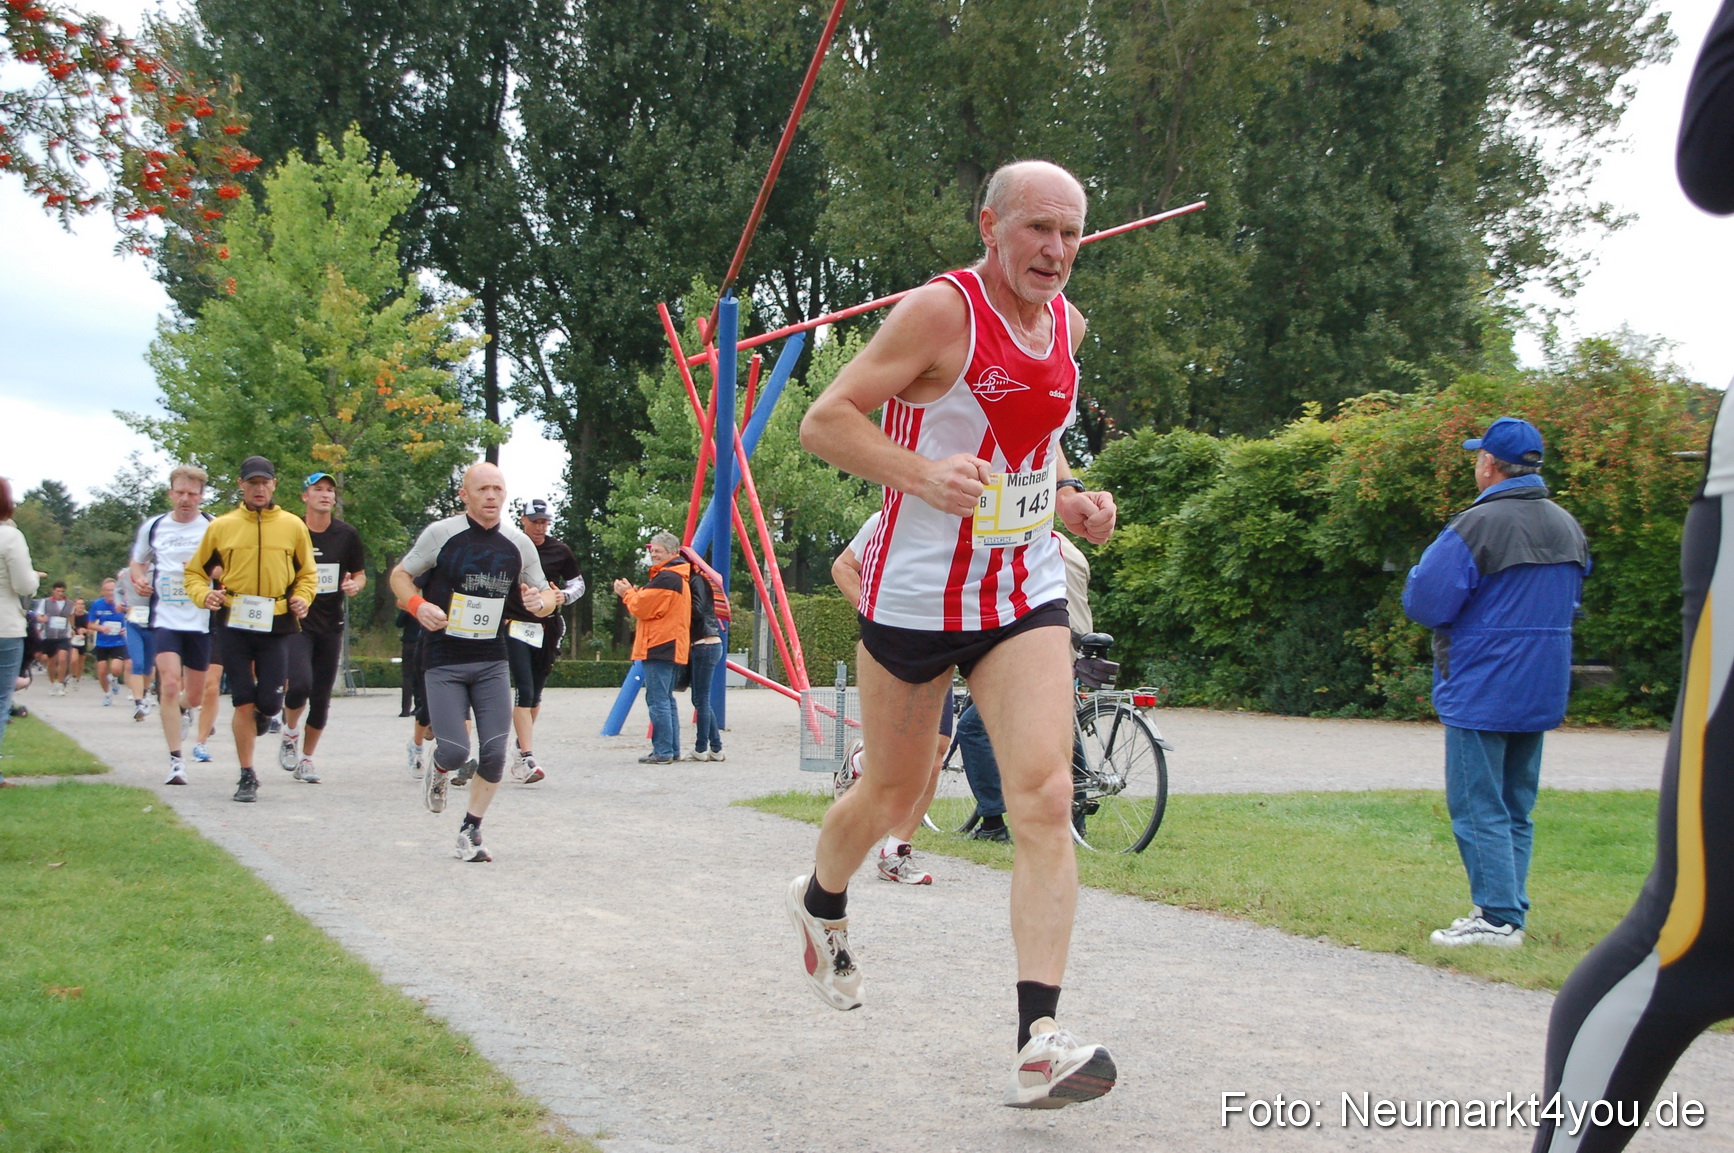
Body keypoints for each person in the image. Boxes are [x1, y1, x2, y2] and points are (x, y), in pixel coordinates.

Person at [794, 160, 1120, 1108]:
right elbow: (824, 422)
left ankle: (1039, 1041)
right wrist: (918, 473)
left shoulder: (1068, 326)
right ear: (990, 225)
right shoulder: (941, 313)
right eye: (1038, 229)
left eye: (1071, 232)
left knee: (1045, 795)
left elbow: (1037, 443)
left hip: (1021, 588)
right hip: (916, 596)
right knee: (893, 792)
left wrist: (1070, 498)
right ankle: (819, 900)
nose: (1056, 250)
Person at [1529, 19, 1734, 1149]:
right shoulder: (1546, 520)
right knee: (1697, 930)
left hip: (1508, 691)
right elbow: (1714, 160)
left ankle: (1495, 908)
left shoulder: (1507, 523)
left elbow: (1431, 599)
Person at [1403, 418, 1589, 947]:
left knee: (1477, 804)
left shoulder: (1477, 525)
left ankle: (1497, 918)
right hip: (1541, 682)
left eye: (1477, 457)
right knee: (1514, 806)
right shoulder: (1566, 525)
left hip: (1482, 681)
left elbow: (1426, 601)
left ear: (1489, 464)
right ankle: (1508, 909)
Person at [391, 462, 558, 862]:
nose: (491, 496)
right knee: (453, 749)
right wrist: (418, 605)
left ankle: (471, 830)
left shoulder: (518, 543)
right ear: (464, 495)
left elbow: (548, 596)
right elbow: (399, 575)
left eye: (498, 489)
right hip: (444, 659)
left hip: (491, 659)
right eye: (482, 489)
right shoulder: (441, 534)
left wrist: (540, 602)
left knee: (496, 753)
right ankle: (439, 769)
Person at [183, 456, 318, 803]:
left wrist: (302, 598)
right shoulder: (222, 526)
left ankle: (265, 714)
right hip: (234, 620)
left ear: (274, 485)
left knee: (271, 702)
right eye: (252, 483)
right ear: (241, 485)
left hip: (277, 620)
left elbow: (307, 574)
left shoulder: (292, 526)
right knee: (242, 698)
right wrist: (204, 595)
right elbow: (195, 572)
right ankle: (247, 774)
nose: (259, 489)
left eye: (265, 482)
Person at [954, 533, 1097, 842]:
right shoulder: (1072, 550)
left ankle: (993, 821)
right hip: (1079, 649)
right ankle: (1077, 815)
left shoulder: (1024, 549)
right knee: (1061, 728)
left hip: (1042, 650)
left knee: (971, 728)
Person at [831, 511, 946, 884]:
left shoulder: (983, 520)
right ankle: (863, 760)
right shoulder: (890, 516)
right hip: (901, 647)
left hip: (953, 644)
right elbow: (843, 567)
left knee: (935, 754)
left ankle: (895, 851)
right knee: (901, 756)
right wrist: (876, 617)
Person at [278, 472, 367, 784]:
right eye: (318, 489)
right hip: (297, 623)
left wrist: (354, 585)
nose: (326, 494)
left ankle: (306, 759)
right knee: (300, 685)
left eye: (330, 490)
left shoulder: (346, 534)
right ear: (305, 496)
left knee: (321, 697)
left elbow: (359, 573)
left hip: (331, 624)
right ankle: (290, 732)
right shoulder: (291, 530)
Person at [129, 464, 215, 786]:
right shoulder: (154, 527)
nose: (185, 499)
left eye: (192, 494)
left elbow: (229, 567)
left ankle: (183, 709)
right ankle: (176, 761)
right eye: (180, 492)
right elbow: (138, 562)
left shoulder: (213, 526)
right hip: (165, 616)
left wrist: (204, 570)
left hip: (201, 618)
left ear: (201, 496)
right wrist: (139, 579)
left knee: (195, 696)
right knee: (167, 683)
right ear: (170, 493)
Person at [503, 498, 583, 783]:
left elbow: (578, 583)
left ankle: (519, 746)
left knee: (535, 693)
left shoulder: (560, 550)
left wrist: (564, 595)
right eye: (535, 521)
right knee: (524, 690)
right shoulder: (509, 547)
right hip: (515, 625)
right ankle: (527, 757)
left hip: (547, 627)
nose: (540, 527)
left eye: (544, 522)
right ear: (523, 520)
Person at [612, 531, 690, 765]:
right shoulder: (678, 576)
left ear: (672, 552)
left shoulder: (667, 577)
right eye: (652, 550)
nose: (653, 554)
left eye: (658, 551)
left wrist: (627, 593)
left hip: (659, 644)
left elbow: (641, 607)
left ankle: (663, 751)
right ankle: (671, 749)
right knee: (666, 699)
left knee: (658, 700)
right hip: (672, 644)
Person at [0, 477, 41, 784]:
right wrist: (35, 578)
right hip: (4, 625)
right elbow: (24, 585)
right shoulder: (10, 537)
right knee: (2, 699)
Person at [683, 547, 725, 763]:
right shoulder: (697, 580)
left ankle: (703, 747)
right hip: (707, 643)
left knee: (701, 699)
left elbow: (697, 610)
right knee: (700, 699)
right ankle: (715, 748)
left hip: (704, 643)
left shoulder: (694, 581)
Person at [112, 563, 154, 720]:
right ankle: (138, 704)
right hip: (133, 622)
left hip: (152, 624)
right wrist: (119, 603)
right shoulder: (125, 573)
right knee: (137, 663)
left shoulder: (157, 571)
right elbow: (118, 590)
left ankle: (145, 692)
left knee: (148, 666)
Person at [87, 576, 129, 704]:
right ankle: (107, 694)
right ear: (103, 591)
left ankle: (114, 678)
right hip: (102, 642)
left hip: (119, 641)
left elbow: (133, 618)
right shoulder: (97, 604)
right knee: (102, 670)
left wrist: (127, 629)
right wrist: (101, 628)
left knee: (116, 669)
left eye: (113, 590)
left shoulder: (124, 603)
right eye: (108, 590)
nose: (110, 593)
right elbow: (89, 624)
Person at [35, 581, 73, 694]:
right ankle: (53, 683)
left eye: (62, 591)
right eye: (58, 591)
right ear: (53, 591)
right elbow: (38, 615)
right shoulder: (46, 602)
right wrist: (42, 619)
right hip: (49, 635)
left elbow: (71, 616)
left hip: (63, 635)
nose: (60, 593)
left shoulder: (69, 603)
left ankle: (60, 684)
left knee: (62, 659)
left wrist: (73, 628)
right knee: (51, 661)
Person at [68, 596, 88, 688]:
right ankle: (73, 675)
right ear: (74, 605)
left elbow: (92, 629)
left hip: (83, 639)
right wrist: (71, 630)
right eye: (78, 604)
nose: (80, 606)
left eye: (82, 604)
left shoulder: (87, 616)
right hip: (73, 639)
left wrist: (85, 630)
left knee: (81, 661)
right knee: (74, 659)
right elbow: (67, 626)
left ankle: (77, 679)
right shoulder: (71, 616)